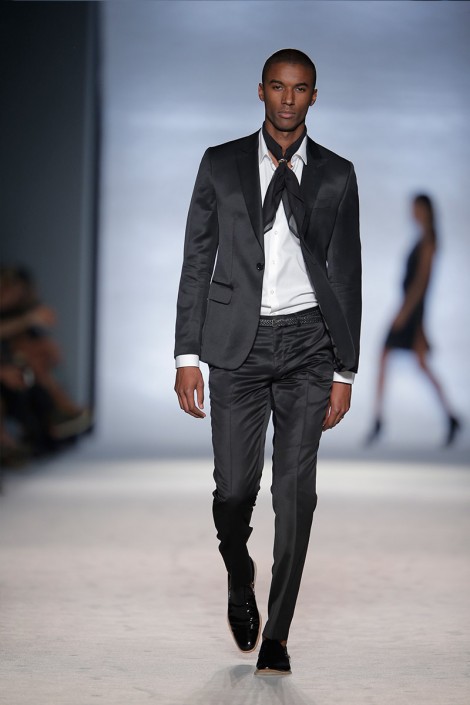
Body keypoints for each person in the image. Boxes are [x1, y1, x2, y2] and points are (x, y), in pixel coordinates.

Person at [174, 49, 361, 676]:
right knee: (234, 491)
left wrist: (344, 369)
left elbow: (346, 274)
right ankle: (239, 572)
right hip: (237, 344)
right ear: (260, 91)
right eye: (277, 86)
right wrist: (186, 354)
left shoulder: (337, 175)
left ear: (314, 96)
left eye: (299, 88)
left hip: (310, 343)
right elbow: (197, 260)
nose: (287, 98)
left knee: (295, 493)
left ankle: (277, 634)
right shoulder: (220, 163)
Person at [366, 195, 460, 446]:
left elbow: (421, 283)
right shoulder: (423, 239)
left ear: (426, 210)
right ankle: (450, 417)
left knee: (390, 356)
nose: (413, 213)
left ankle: (378, 420)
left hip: (411, 310)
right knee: (417, 363)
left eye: (417, 209)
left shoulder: (428, 241)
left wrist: (405, 313)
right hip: (411, 309)